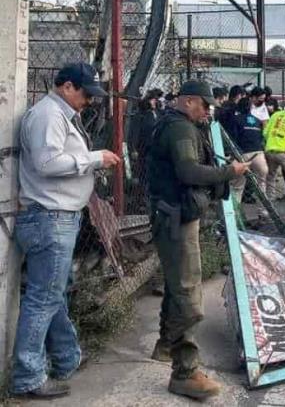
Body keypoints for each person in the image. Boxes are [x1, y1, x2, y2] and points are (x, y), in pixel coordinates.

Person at [13, 63, 121, 399]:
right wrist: (92, 159)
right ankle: (27, 377)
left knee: (53, 293)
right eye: (86, 93)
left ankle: (65, 358)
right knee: (43, 298)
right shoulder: (48, 115)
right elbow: (47, 164)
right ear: (68, 86)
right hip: (50, 217)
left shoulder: (59, 114)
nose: (89, 100)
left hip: (57, 217)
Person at [146, 79, 249, 399]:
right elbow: (189, 173)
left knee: (178, 287)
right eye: (205, 104)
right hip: (176, 219)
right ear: (188, 101)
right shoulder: (179, 129)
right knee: (189, 298)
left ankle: (166, 345)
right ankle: (185, 372)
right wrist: (229, 172)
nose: (208, 111)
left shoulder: (177, 124)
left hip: (174, 216)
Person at [231, 96, 269, 219]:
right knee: (261, 185)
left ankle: (235, 215)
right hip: (258, 154)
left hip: (243, 155)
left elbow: (234, 139)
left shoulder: (236, 120)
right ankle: (263, 213)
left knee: (238, 186)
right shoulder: (257, 121)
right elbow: (261, 137)